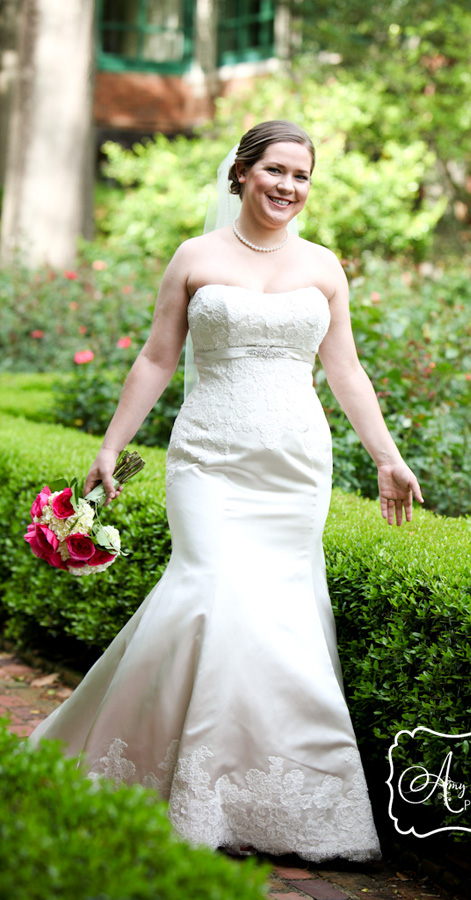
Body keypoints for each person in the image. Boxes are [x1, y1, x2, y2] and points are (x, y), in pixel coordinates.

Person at [29, 120, 423, 862]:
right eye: (275, 170)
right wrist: (111, 443)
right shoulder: (195, 257)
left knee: (280, 620)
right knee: (206, 593)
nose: (288, 187)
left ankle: (267, 801)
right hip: (208, 460)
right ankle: (170, 786)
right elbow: (156, 357)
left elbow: (345, 370)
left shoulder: (323, 266)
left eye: (302, 176)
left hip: (294, 467)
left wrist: (385, 456)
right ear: (240, 173)